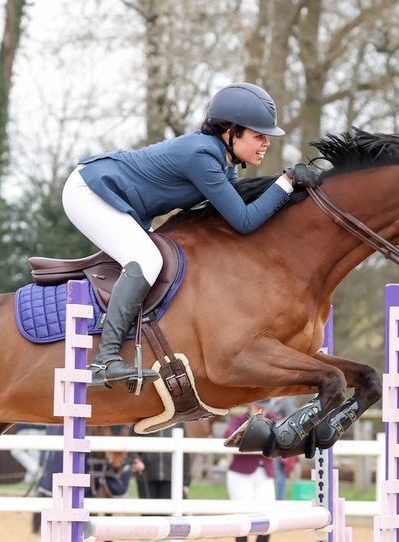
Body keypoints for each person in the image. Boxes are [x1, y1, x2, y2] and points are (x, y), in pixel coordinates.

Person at [62, 83, 320, 388]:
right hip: (90, 192)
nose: (265, 144)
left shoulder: (222, 163)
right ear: (231, 132)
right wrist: (286, 182)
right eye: (258, 136)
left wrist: (287, 190)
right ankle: (105, 360)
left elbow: (238, 206)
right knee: (146, 259)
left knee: (148, 258)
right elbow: (245, 221)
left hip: (113, 195)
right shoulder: (202, 156)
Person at [224, 402, 279, 542]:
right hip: (241, 473)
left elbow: (282, 438)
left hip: (265, 473)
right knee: (242, 519)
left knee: (268, 520)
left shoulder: (273, 420)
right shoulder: (239, 419)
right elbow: (228, 436)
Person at [132, 429, 191, 542]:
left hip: (170, 475)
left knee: (165, 520)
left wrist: (185, 480)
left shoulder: (179, 421)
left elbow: (186, 454)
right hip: (146, 474)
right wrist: (136, 459)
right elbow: (133, 438)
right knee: (146, 519)